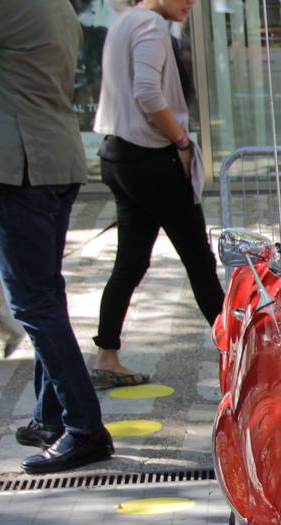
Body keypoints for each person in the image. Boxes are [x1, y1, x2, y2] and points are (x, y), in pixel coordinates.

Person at [0, 0, 114, 473]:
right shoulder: (56, 4)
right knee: (46, 295)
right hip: (53, 160)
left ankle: (85, 430)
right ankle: (50, 415)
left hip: (18, 167)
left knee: (34, 304)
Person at [91, 0, 221, 387]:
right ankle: (238, 354)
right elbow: (147, 92)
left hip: (118, 154)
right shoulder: (149, 24)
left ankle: (107, 355)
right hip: (150, 158)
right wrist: (180, 140)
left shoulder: (124, 22)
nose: (192, 3)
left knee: (130, 262)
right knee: (199, 259)